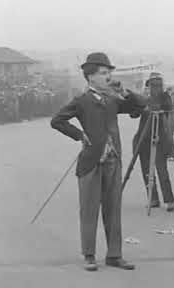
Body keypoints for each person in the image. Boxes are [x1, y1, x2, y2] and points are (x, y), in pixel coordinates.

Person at [51, 52, 146, 271]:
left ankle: (114, 255)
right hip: (90, 162)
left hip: (113, 160)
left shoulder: (113, 99)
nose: (108, 77)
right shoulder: (82, 101)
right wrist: (79, 135)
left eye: (109, 73)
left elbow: (140, 106)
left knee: (114, 209)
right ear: (91, 77)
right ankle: (89, 255)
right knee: (89, 209)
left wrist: (123, 90)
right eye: (103, 74)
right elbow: (57, 121)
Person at [131, 72, 174, 212]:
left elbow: (170, 116)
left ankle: (169, 200)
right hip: (143, 140)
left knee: (162, 170)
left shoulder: (165, 98)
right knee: (146, 171)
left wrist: (169, 139)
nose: (155, 87)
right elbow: (133, 114)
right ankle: (153, 198)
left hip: (160, 139)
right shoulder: (145, 99)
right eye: (152, 84)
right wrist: (142, 103)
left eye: (157, 84)